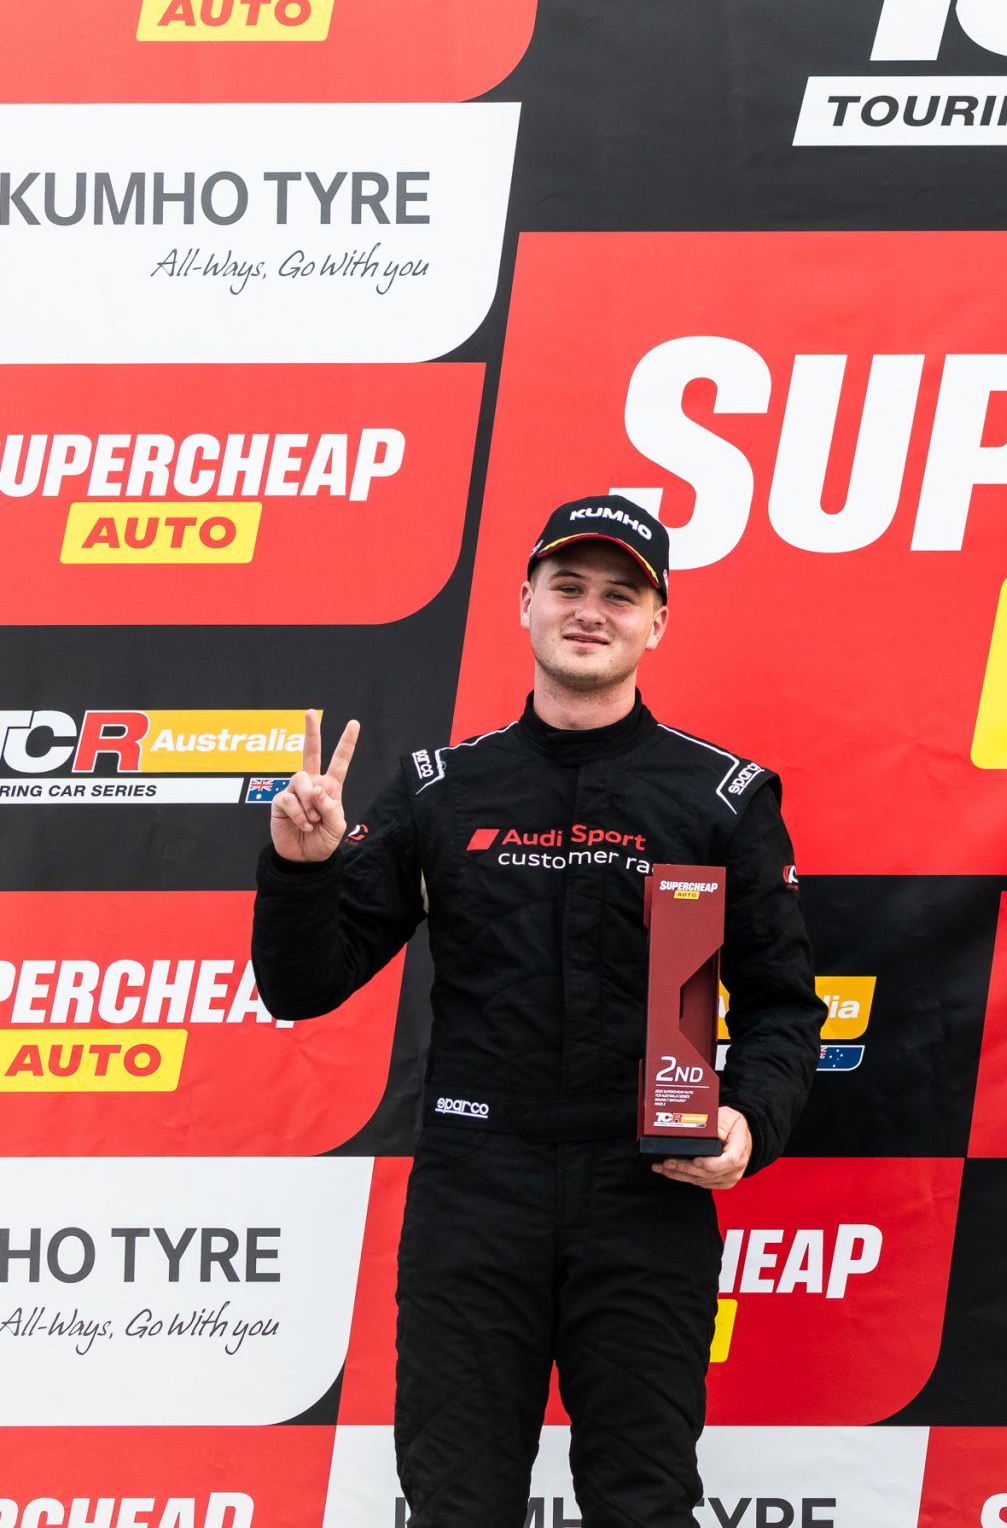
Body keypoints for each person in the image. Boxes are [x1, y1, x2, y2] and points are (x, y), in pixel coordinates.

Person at [251, 494, 823, 1526]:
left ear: (658, 622)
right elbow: (304, 984)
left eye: (620, 594)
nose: (590, 611)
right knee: (455, 1503)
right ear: (524, 604)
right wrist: (299, 870)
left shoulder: (721, 796)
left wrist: (750, 1121)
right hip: (477, 1191)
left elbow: (784, 1009)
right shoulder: (439, 790)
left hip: (648, 1189)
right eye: (568, 587)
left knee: (641, 1503)